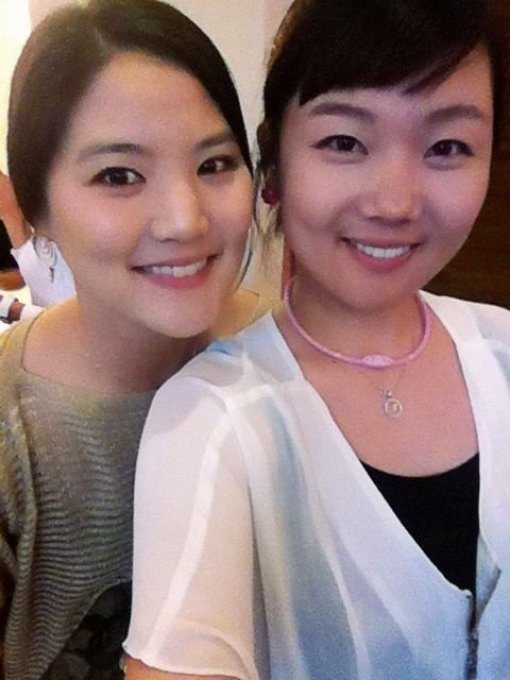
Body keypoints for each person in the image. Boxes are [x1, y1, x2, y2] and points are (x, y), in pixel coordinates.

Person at [124, 0, 510, 678]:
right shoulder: (212, 418)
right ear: (272, 166)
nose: (395, 203)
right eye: (344, 143)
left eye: (448, 147)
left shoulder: (502, 349)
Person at [0, 0, 260, 677]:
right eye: (118, 175)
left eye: (215, 163)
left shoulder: (298, 362)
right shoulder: (13, 427)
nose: (184, 220)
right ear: (34, 207)